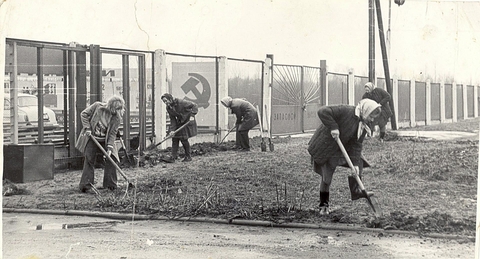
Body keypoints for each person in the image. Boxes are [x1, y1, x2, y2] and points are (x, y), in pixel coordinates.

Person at [307, 99, 382, 215]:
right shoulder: (347, 111)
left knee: (360, 163)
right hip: (328, 145)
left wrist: (355, 165)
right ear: (366, 111)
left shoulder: (364, 125)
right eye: (371, 116)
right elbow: (322, 111)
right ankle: (323, 205)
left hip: (343, 146)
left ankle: (356, 190)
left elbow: (357, 145)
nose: (372, 120)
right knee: (327, 175)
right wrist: (333, 127)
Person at [78, 95, 125, 193]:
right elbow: (83, 114)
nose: (118, 111)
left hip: (105, 139)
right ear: (111, 107)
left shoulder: (117, 118)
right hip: (92, 137)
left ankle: (110, 185)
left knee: (112, 158)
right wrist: (87, 128)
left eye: (119, 109)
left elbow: (112, 133)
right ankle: (86, 186)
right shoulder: (97, 107)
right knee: (89, 159)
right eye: (116, 109)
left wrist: (109, 147)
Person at [161, 93, 198, 162]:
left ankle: (188, 156)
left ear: (170, 99)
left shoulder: (181, 102)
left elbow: (194, 105)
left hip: (187, 120)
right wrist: (172, 130)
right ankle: (173, 157)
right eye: (164, 102)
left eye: (166, 101)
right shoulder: (168, 107)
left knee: (183, 139)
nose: (165, 103)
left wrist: (192, 115)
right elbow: (173, 119)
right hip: (179, 121)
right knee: (175, 138)